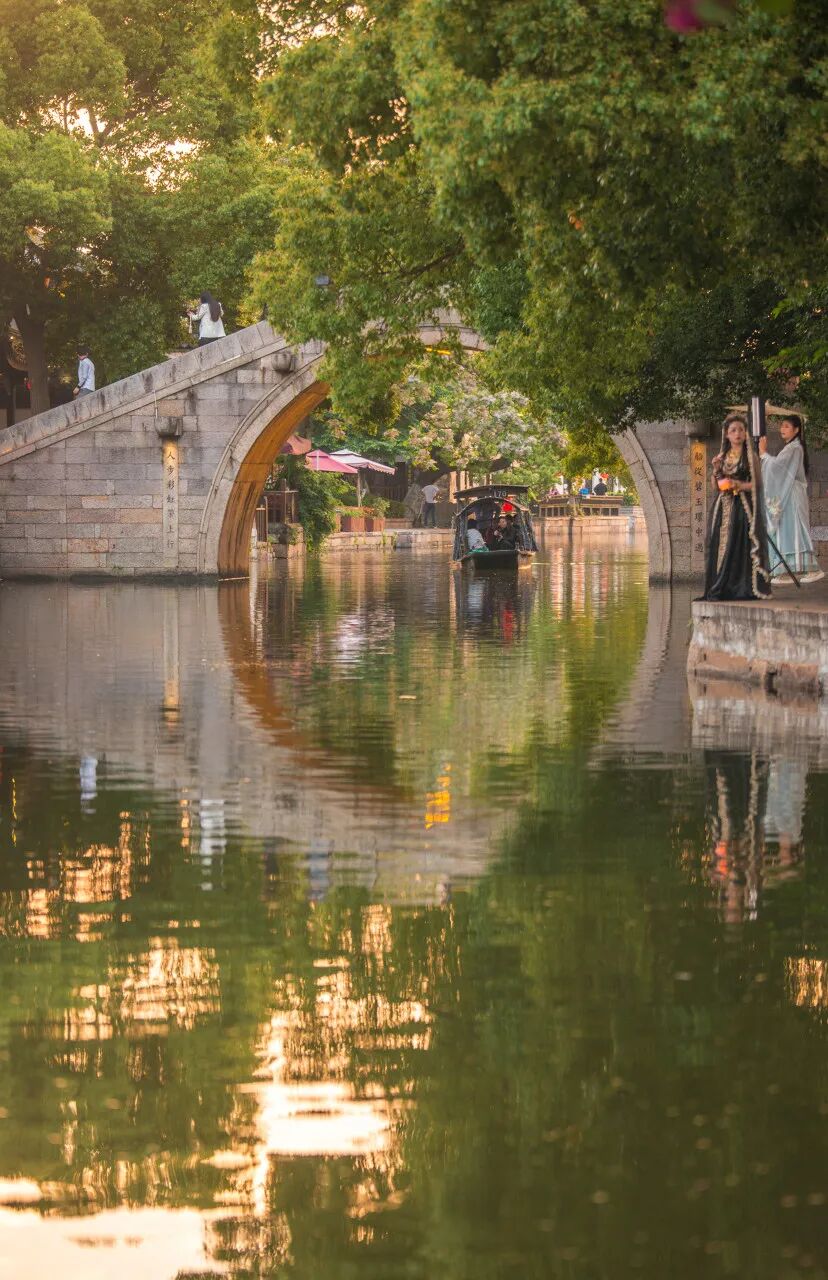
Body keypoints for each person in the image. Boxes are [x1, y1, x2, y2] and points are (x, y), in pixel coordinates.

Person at [701, 413, 771, 601]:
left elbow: (758, 484)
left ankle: (739, 586)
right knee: (720, 544)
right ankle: (720, 584)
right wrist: (715, 470)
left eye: (741, 430)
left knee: (738, 544)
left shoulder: (750, 457)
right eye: (733, 430)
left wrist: (739, 486)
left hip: (742, 507)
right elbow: (716, 486)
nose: (738, 433)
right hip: (723, 507)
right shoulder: (722, 457)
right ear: (727, 435)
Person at [758, 414, 824, 583]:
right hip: (788, 494)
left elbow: (778, 467)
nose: (782, 429)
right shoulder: (791, 447)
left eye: (787, 426)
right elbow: (779, 468)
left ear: (797, 430)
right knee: (786, 531)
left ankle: (813, 568)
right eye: (782, 425)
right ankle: (784, 571)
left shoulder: (795, 448)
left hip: (792, 496)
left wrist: (764, 454)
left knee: (797, 530)